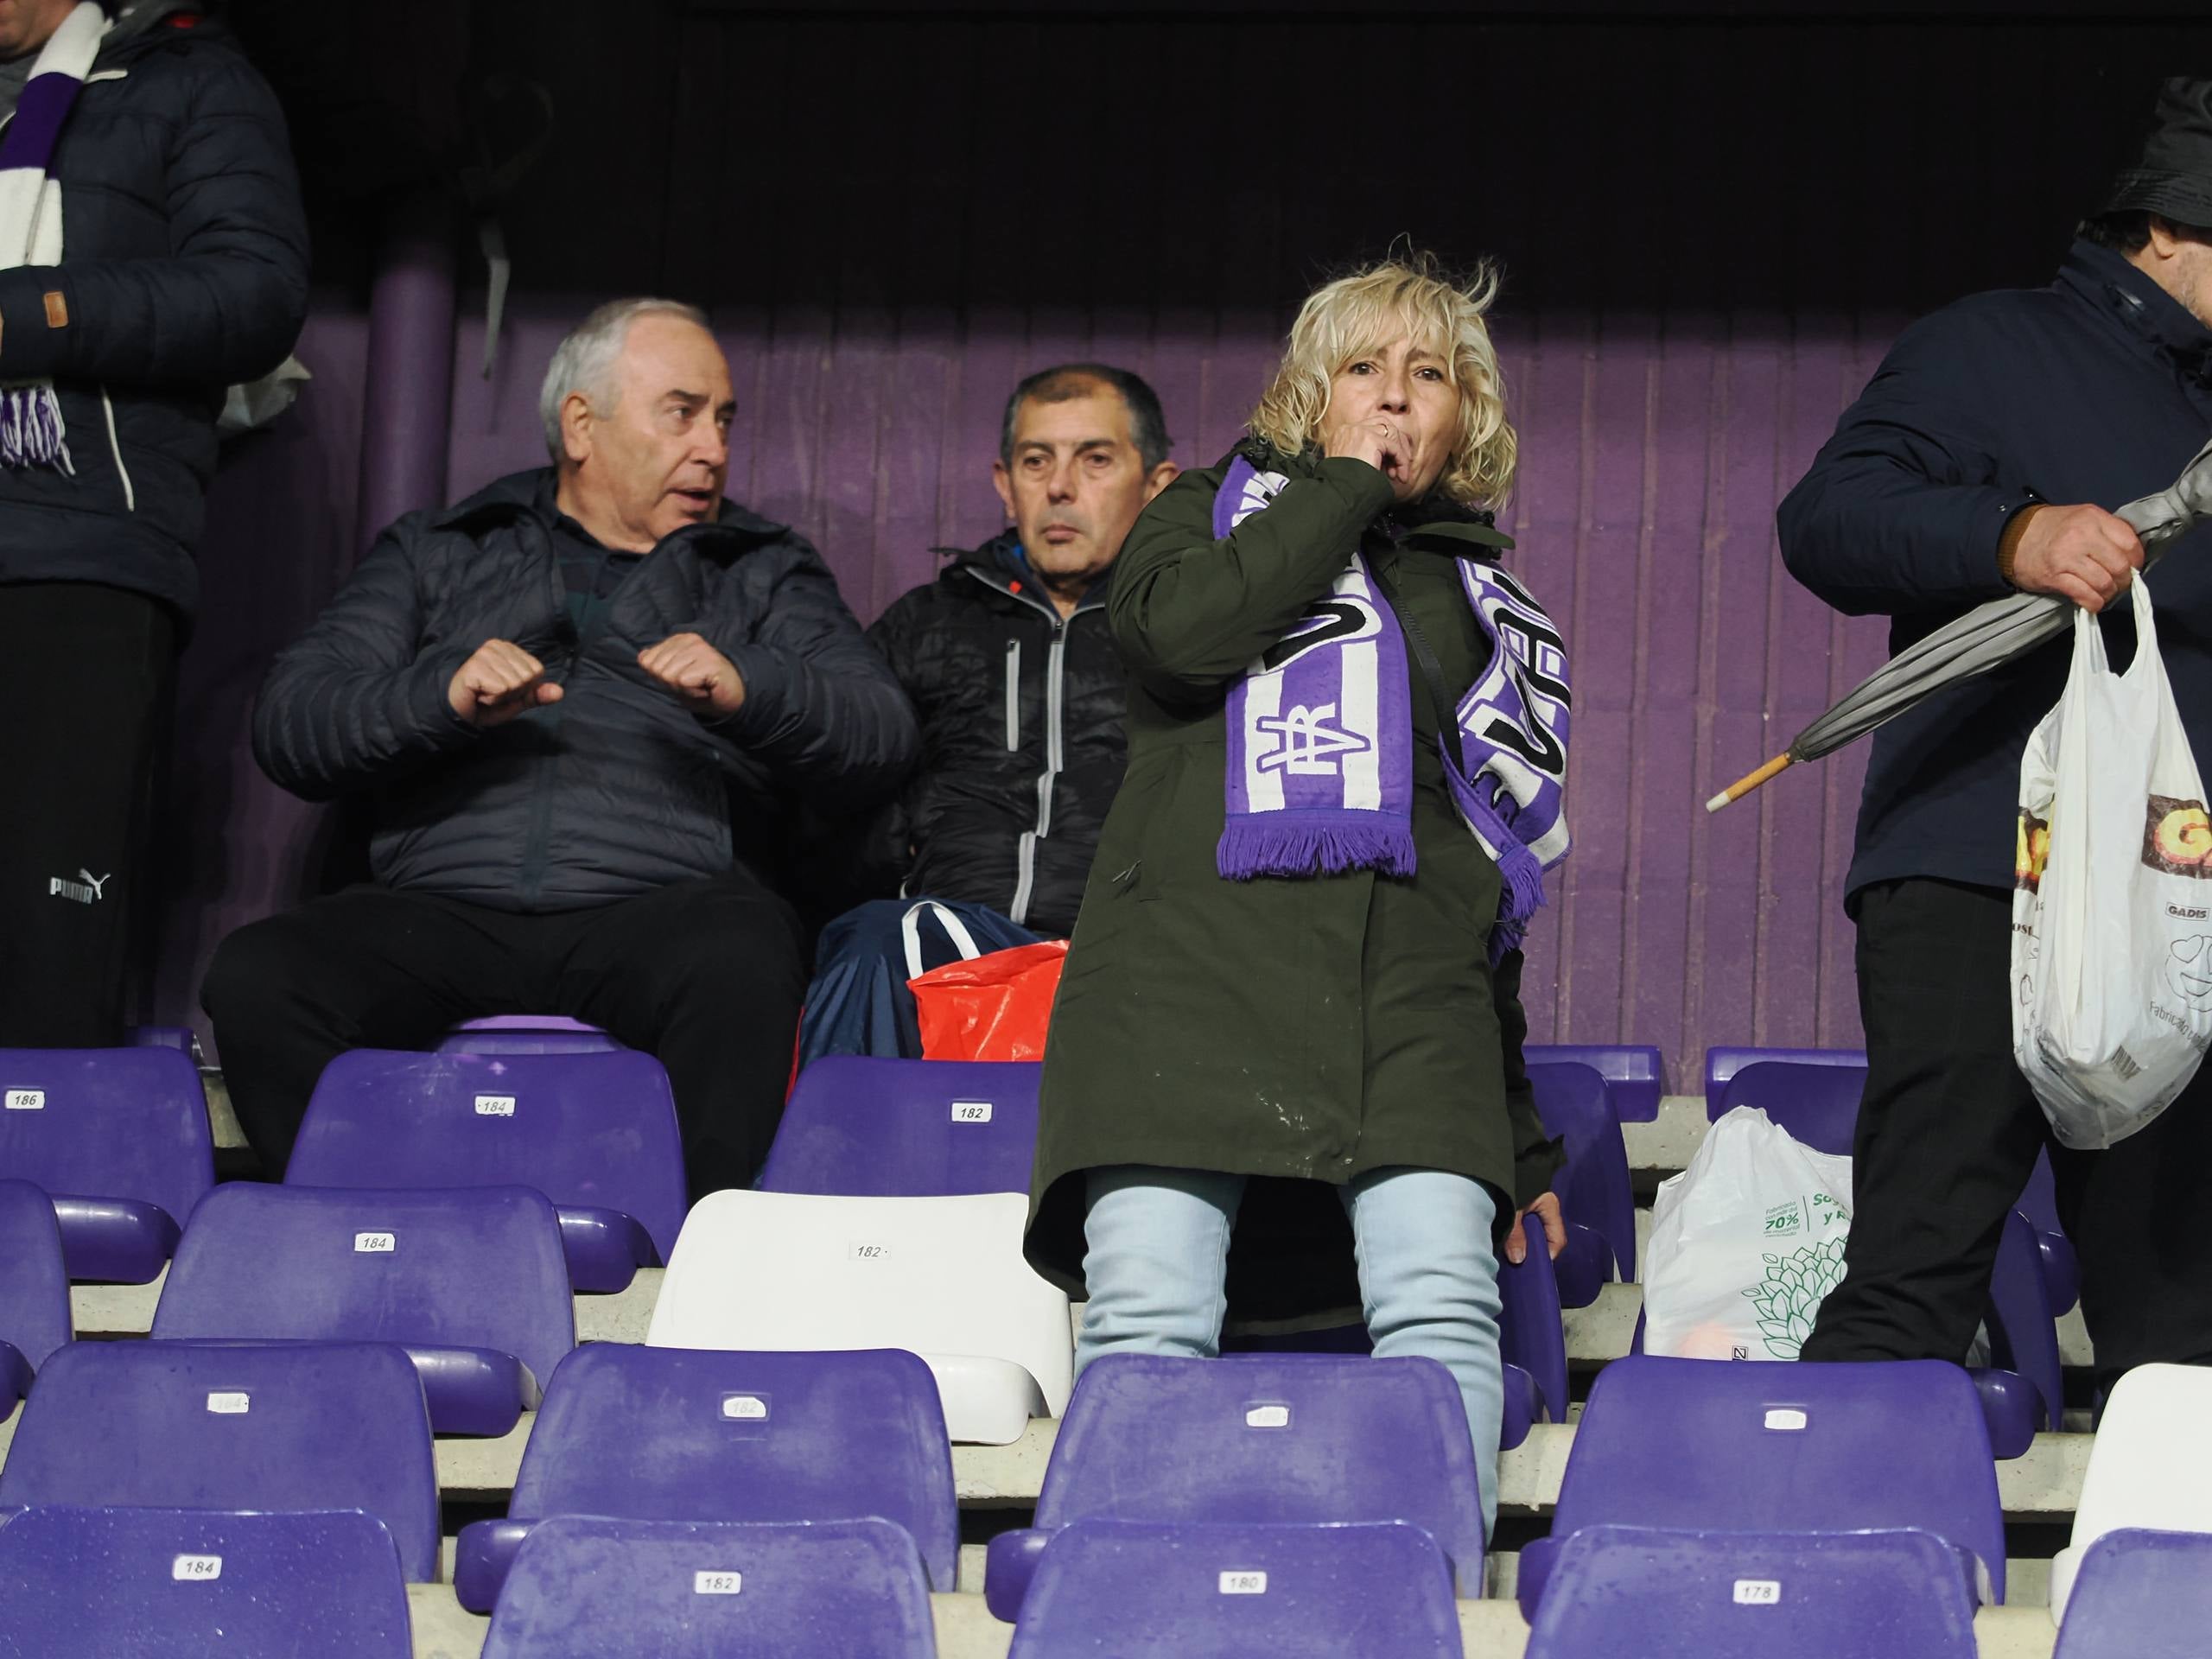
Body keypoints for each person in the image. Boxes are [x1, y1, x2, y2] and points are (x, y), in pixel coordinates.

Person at [1023, 255, 1569, 1537]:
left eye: (1426, 373)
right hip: (1184, 988)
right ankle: (1120, 1600)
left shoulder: (1489, 598)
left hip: (1412, 1009)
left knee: (1442, 1315)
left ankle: (1425, 1602)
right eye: (1361, 371)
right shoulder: (1204, 509)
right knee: (1152, 1318)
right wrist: (1332, 493)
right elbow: (1179, 638)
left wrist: (1521, 1128)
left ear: (1467, 413)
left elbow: (1481, 865)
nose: (1393, 398)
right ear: (1306, 397)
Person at [203, 297, 918, 1194]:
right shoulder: (441, 550)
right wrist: (441, 694)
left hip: (661, 904)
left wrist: (747, 688)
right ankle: (376, 1227)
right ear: (582, 423)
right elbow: (293, 722)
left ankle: (692, 1263)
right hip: (443, 904)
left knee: (744, 959)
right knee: (261, 976)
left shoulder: (760, 564)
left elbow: (879, 732)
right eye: (683, 412)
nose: (713, 447)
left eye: (723, 420)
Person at [1781, 77, 2212, 1389]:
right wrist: (2014, 535)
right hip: (1985, 866)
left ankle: (2175, 1584)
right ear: (2179, 227)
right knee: (1922, 1255)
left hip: (2174, 892)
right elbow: (1830, 519)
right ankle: (1818, 1559)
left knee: (2183, 1302)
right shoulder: (1992, 345)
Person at [0, 0, 308, 1047]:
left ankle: (28, 1199)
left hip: (79, 547)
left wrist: (33, 316)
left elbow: (256, 291)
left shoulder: (189, 79)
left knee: (41, 953)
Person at [794, 365, 1177, 1065]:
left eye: (1095, 459)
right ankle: (826, 1171)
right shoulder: (929, 622)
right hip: (962, 927)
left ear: (1156, 485)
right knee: (872, 938)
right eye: (1037, 461)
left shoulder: (1189, 623)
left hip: (1135, 933)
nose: (1060, 488)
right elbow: (844, 780)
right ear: (1006, 484)